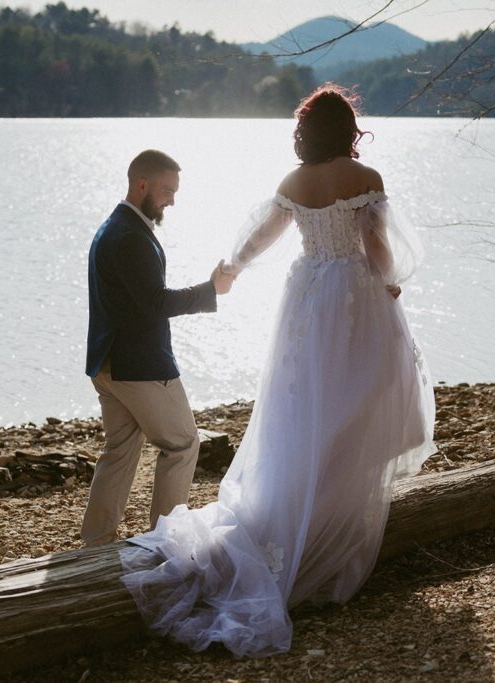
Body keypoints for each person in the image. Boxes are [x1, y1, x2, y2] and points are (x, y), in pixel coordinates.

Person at [118, 86, 437, 657]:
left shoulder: (294, 185)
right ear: (348, 129)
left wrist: (233, 265)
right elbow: (376, 243)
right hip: (355, 295)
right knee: (360, 396)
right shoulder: (364, 179)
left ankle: (301, 510)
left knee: (303, 404)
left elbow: (264, 233)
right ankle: (331, 522)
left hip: (309, 295)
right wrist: (389, 283)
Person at [82, 149, 237, 547]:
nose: (172, 199)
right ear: (142, 184)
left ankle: (96, 542)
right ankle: (167, 540)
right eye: (168, 190)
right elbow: (154, 303)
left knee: (119, 449)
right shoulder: (131, 236)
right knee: (184, 444)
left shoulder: (113, 227)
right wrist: (210, 291)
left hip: (108, 362)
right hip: (139, 366)